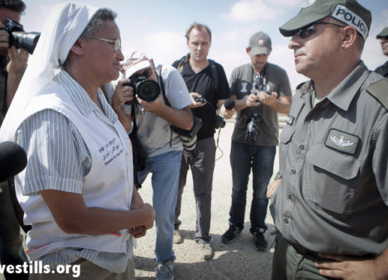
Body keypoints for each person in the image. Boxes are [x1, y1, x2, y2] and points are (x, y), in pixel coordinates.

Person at [0, 3, 155, 279]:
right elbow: (72, 219)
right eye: (113, 43)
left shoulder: (99, 100)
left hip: (113, 254)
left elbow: (116, 159)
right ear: (78, 44)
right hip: (76, 265)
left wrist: (134, 202)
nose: (120, 54)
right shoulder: (53, 117)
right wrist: (139, 217)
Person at [267, 0, 388, 280]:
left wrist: (378, 270)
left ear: (347, 37)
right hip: (284, 253)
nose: (292, 43)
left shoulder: (379, 111)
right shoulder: (303, 95)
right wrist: (281, 180)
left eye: (306, 30)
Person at [107, 51, 193, 280]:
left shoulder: (169, 76)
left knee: (164, 212)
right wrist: (117, 104)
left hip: (169, 150)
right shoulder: (123, 87)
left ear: (154, 65)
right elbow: (125, 129)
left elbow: (187, 121)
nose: (144, 79)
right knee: (123, 204)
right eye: (137, 76)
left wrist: (158, 108)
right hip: (139, 151)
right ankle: (123, 252)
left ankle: (165, 259)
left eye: (147, 72)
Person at [221, 31, 292, 252]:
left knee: (261, 191)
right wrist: (245, 102)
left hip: (267, 140)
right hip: (241, 139)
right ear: (248, 51)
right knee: (238, 188)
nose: (260, 58)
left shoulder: (279, 74)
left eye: (265, 54)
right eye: (257, 53)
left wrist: (272, 101)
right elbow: (229, 103)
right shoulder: (238, 72)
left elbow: (288, 106)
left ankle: (258, 229)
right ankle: (235, 225)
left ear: (269, 53)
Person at [171, 22, 231, 260]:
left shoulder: (216, 70)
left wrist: (226, 110)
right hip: (176, 139)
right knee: (174, 187)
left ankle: (203, 238)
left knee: (203, 192)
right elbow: (165, 101)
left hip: (205, 140)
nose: (199, 47)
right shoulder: (175, 68)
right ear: (187, 42)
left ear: (210, 44)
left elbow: (223, 103)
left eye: (204, 43)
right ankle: (173, 227)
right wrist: (186, 100)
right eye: (195, 42)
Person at [0, 0, 28, 278]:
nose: (10, 32)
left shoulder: (7, 60)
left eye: (15, 25)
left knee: (12, 240)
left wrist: (15, 71)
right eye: (3, 25)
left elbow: (10, 116)